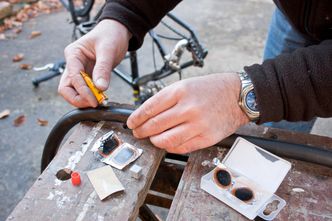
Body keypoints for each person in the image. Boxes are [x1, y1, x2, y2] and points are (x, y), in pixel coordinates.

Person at [58, 0, 332, 154]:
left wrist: (252, 93)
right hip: (297, 14)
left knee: (284, 142)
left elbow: (267, 92)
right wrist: (122, 16)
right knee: (275, 137)